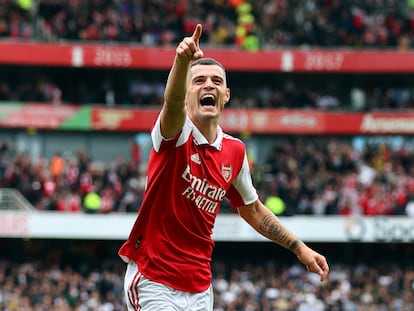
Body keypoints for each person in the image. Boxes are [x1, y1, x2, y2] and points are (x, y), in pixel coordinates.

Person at [118, 24, 329, 311]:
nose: (208, 85)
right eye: (199, 80)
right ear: (188, 91)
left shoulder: (235, 151)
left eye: (216, 81)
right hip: (154, 280)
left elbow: (253, 210)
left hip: (201, 287)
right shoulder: (174, 132)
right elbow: (173, 102)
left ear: (226, 95)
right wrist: (182, 61)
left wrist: (299, 248)